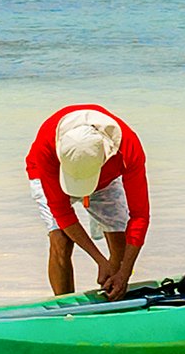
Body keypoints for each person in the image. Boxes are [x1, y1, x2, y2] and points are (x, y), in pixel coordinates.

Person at [28, 101, 149, 297]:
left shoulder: (127, 145)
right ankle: (65, 308)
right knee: (61, 239)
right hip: (54, 175)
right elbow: (61, 212)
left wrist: (124, 273)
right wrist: (100, 260)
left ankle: (115, 294)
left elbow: (140, 216)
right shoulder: (46, 145)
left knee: (120, 241)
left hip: (107, 177)